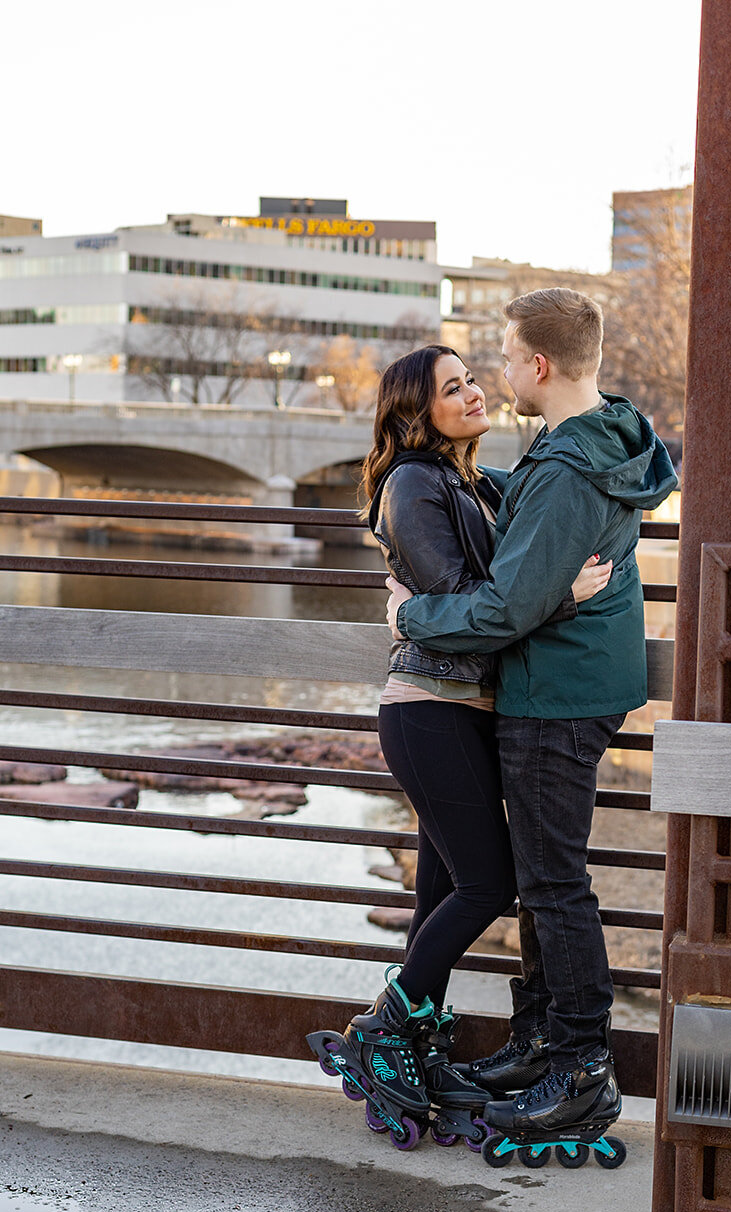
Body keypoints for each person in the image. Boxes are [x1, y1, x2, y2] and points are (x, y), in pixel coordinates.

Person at [386, 289, 678, 1153]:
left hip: (554, 693)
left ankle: (580, 1067)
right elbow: (534, 538)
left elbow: (502, 609)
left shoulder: (562, 467)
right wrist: (469, 484)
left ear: (538, 367)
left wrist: (409, 621)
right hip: (573, 681)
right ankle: (542, 1041)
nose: (498, 375)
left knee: (552, 883)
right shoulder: (591, 437)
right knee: (547, 876)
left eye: (505, 359)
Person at [307, 343, 612, 1150]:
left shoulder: (473, 482)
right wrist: (557, 598)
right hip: (429, 709)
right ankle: (381, 1030)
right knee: (491, 882)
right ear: (418, 410)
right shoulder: (412, 482)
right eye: (452, 388)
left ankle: (410, 1042)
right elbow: (462, 600)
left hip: (467, 709)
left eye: (473, 378)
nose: (473, 392)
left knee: (439, 888)